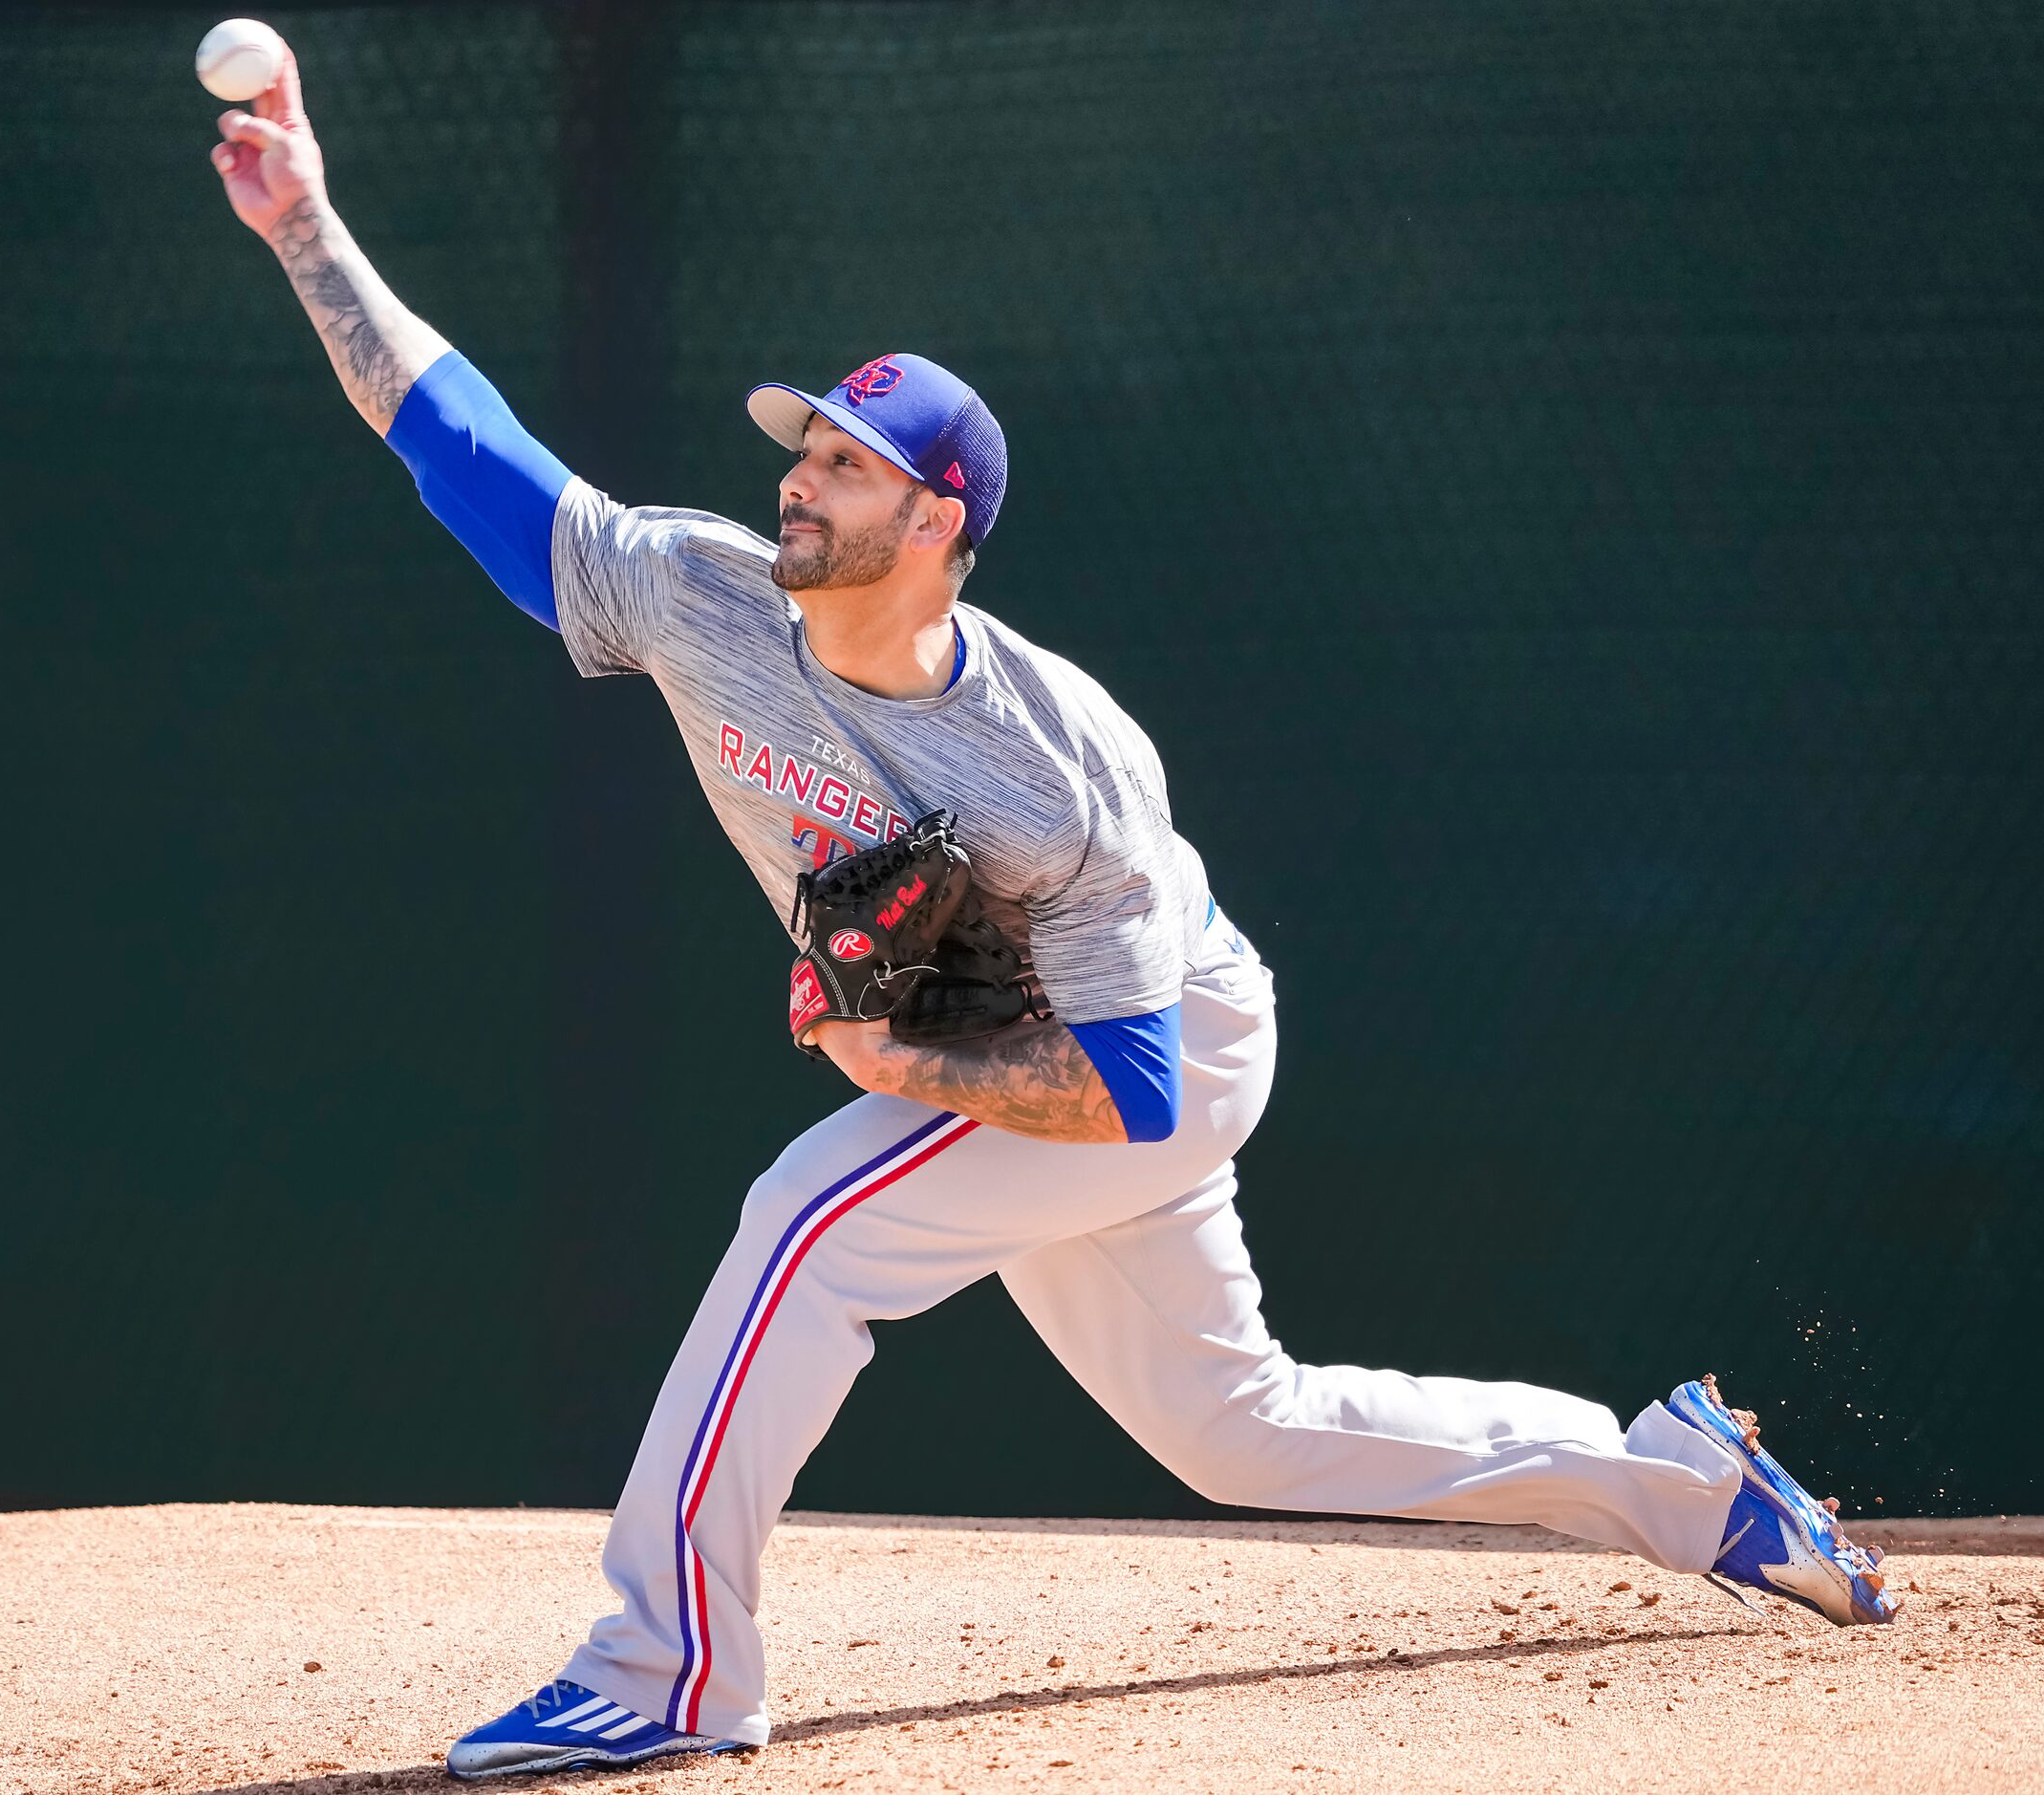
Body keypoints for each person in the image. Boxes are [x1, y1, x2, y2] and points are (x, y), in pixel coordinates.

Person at [203, 42, 1899, 1783]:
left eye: (846, 467)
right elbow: (459, 445)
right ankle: (1687, 1482)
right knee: (1241, 1429)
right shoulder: (699, 596)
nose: (799, 479)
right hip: (1024, 1047)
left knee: (804, 1221)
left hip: (1159, 1037)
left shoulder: (1057, 766)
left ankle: (670, 1665)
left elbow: (1138, 1099)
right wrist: (308, 230)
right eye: (804, 449)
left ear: (937, 523)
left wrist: (904, 1052)